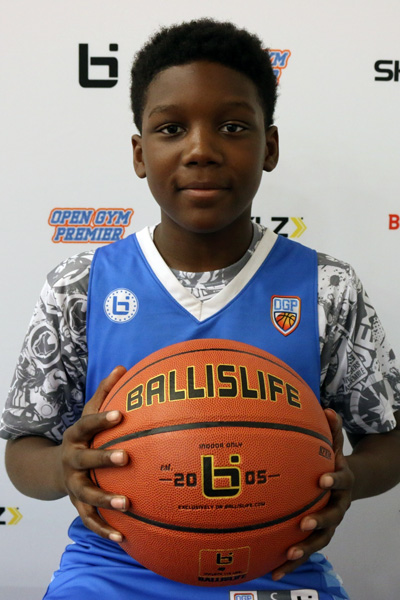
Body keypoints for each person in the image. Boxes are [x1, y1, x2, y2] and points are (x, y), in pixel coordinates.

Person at [1, 18, 400, 600]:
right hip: (111, 566)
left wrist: (348, 477)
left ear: (270, 147)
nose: (201, 151)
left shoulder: (326, 286)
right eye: (171, 129)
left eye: (233, 127)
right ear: (140, 153)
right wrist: (64, 465)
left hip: (277, 564)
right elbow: (22, 451)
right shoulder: (80, 285)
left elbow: (388, 440)